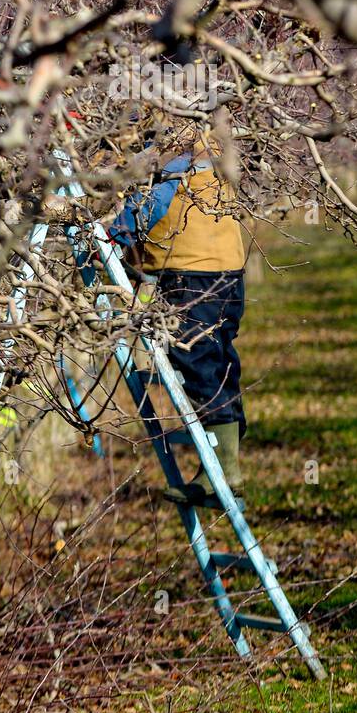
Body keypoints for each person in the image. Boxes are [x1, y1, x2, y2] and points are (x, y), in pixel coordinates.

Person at [110, 121, 247, 507]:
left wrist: (114, 233)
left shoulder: (174, 165)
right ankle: (223, 467)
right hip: (229, 275)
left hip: (192, 277)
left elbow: (142, 214)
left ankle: (223, 469)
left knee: (197, 360)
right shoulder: (215, 156)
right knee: (220, 363)